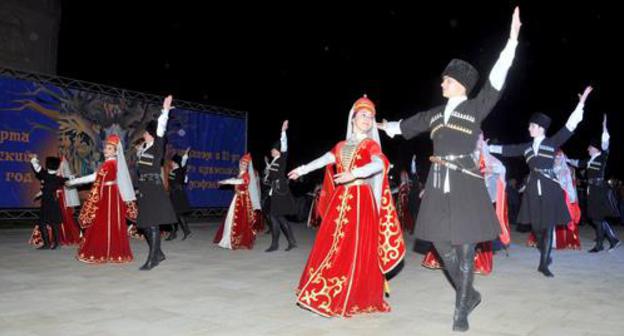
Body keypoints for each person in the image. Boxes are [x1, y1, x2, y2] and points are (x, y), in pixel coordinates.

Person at [377, 8, 521, 331]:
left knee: (466, 249)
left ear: (460, 85)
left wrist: (511, 41)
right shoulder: (435, 114)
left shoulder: (475, 108)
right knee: (442, 246)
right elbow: (404, 125)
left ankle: (460, 312)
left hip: (467, 182)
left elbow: (497, 80)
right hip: (439, 182)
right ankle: (469, 293)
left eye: (447, 80)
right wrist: (379, 124)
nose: (441, 83)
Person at [289, 95, 405, 317]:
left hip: (361, 200)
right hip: (341, 199)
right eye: (363, 115)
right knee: (332, 242)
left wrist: (355, 173)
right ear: (353, 118)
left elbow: (379, 164)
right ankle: (323, 287)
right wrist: (301, 169)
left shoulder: (371, 144)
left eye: (370, 117)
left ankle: (350, 294)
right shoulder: (341, 145)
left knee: (354, 246)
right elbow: (324, 159)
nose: (367, 120)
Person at [489, 86, 593, 278]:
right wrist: (488, 147)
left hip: (550, 188)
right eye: (530, 126)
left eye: (532, 126)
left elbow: (571, 125)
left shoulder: (552, 142)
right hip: (532, 189)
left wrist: (582, 102)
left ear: (540, 128)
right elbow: (507, 149)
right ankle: (545, 253)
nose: (529, 128)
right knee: (537, 228)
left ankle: (544, 263)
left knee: (548, 226)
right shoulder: (527, 147)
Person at [67, 134, 137, 263]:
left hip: (108, 197)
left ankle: (105, 250)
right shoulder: (108, 163)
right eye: (106, 148)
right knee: (106, 222)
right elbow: (96, 176)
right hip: (109, 195)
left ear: (116, 152)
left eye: (110, 149)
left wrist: (74, 182)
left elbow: (96, 178)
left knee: (103, 222)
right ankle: (110, 250)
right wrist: (74, 182)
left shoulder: (110, 164)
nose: (106, 150)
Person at [135, 95, 178, 270]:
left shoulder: (157, 146)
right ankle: (158, 252)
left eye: (146, 132)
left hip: (154, 188)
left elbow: (161, 128)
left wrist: (165, 111)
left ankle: (153, 258)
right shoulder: (144, 149)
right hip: (145, 188)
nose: (143, 134)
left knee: (152, 223)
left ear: (151, 134)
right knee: (144, 223)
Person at [568, 115, 620, 252]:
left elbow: (605, 143)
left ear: (596, 148)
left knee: (598, 217)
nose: (588, 149)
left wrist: (604, 127)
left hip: (600, 189)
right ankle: (608, 241)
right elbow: (577, 163)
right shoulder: (588, 161)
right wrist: (565, 159)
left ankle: (606, 242)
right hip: (592, 189)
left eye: (589, 147)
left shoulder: (602, 156)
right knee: (596, 217)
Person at [213, 153, 262, 249]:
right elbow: (235, 179)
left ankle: (236, 240)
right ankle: (228, 239)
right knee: (230, 218)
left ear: (247, 166)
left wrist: (226, 182)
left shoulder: (247, 175)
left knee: (239, 219)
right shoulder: (240, 174)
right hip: (238, 198)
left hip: (243, 200)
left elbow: (238, 182)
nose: (242, 165)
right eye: (242, 163)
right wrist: (225, 181)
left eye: (245, 164)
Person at [265, 120, 297, 252]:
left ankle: (276, 244)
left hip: (280, 190)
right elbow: (271, 174)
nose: (271, 151)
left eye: (273, 150)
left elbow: (284, 145)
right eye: (271, 150)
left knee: (275, 216)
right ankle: (289, 242)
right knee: (277, 216)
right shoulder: (273, 161)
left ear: (279, 151)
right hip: (275, 190)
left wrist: (283, 131)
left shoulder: (282, 158)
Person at [30, 155, 67, 249]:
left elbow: (36, 167)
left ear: (47, 165)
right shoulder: (59, 179)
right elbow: (70, 180)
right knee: (54, 223)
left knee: (43, 223)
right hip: (54, 203)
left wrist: (34, 158)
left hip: (46, 203)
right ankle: (56, 243)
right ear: (57, 166)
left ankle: (47, 243)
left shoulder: (44, 175)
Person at [166, 148, 192, 241]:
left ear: (176, 162)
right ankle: (175, 232)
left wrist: (185, 155)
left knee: (178, 214)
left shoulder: (180, 170)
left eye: (173, 162)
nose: (171, 163)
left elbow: (184, 162)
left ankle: (183, 231)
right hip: (172, 194)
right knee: (172, 214)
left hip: (178, 194)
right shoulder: (171, 171)